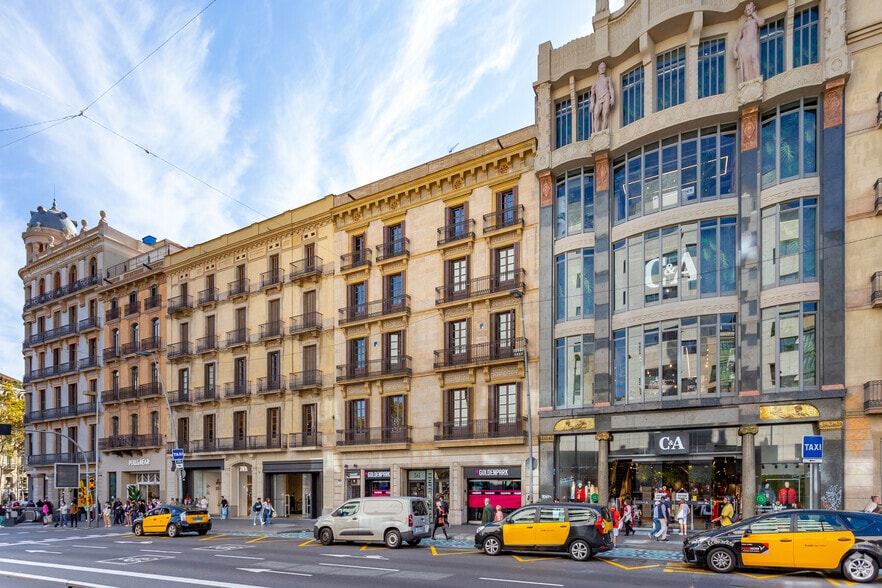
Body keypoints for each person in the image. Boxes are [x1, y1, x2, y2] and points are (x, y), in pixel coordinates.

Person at [733, 2, 765, 84]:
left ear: (753, 8)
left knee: (754, 58)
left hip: (752, 43)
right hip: (743, 46)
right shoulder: (743, 25)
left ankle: (756, 79)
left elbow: (761, 23)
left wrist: (754, 15)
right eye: (747, 10)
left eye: (750, 9)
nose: (748, 10)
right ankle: (748, 83)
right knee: (745, 66)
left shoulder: (755, 21)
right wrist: (734, 50)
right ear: (745, 12)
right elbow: (738, 39)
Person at [590, 61, 615, 132]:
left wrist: (612, 97)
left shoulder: (608, 79)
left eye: (603, 67)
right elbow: (592, 94)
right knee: (596, 115)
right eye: (600, 67)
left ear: (605, 69)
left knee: (605, 114)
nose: (602, 68)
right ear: (598, 69)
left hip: (606, 96)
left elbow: (611, 89)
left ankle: (604, 131)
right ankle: (596, 132)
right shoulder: (595, 82)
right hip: (598, 99)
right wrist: (592, 102)